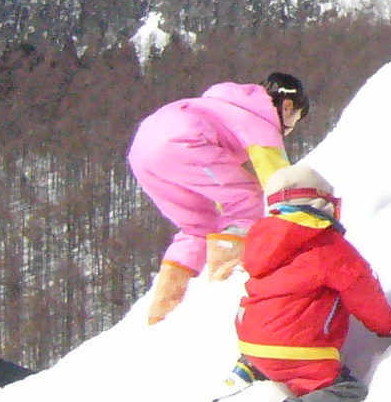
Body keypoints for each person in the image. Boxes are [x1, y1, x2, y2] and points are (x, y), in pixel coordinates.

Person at [231, 165, 391, 402]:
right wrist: (389, 326)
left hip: (249, 341)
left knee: (276, 322)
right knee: (347, 391)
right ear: (323, 206)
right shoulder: (327, 245)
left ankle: (253, 367)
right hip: (296, 351)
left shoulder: (261, 241)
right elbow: (363, 292)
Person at [128, 73, 305, 324]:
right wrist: (301, 223)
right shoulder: (259, 118)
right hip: (183, 143)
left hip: (142, 150)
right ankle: (227, 282)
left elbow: (222, 190)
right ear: (287, 105)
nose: (293, 124)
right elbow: (279, 180)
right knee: (248, 197)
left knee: (198, 227)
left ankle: (163, 312)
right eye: (297, 116)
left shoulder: (226, 103)